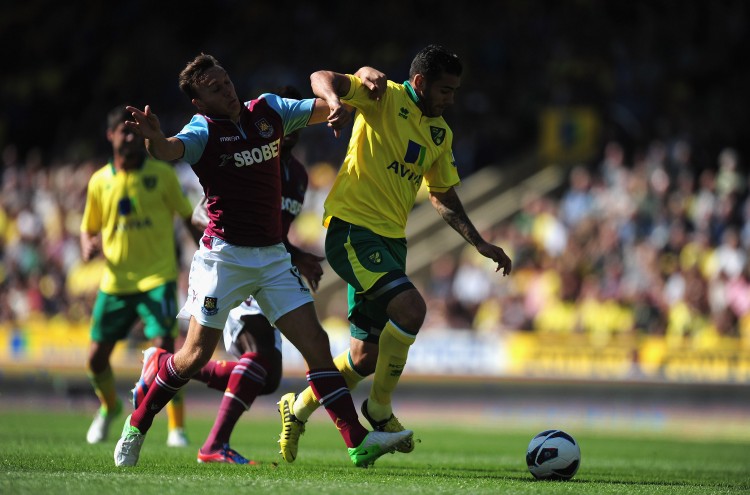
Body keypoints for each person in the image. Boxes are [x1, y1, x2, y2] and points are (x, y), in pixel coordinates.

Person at [114, 53, 412, 468]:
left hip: (272, 258)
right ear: (199, 102)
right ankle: (136, 424)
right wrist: (153, 138)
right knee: (193, 356)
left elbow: (330, 102)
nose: (227, 90)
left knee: (316, 347)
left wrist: (355, 80)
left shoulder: (268, 110)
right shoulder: (202, 131)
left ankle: (358, 442)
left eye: (226, 80)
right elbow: (167, 150)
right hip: (224, 258)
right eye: (214, 88)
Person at [277, 44, 513, 463]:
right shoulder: (382, 94)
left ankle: (297, 409)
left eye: (455, 91)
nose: (450, 99)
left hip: (391, 241)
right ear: (419, 82)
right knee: (411, 309)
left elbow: (441, 194)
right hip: (351, 230)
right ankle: (379, 409)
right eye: (444, 90)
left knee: (363, 358)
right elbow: (321, 75)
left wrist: (479, 242)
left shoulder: (441, 134)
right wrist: (334, 100)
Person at [131, 85, 325, 464]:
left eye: (297, 128)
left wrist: (296, 254)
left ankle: (162, 365)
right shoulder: (240, 152)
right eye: (288, 125)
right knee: (261, 361)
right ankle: (213, 444)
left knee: (267, 378)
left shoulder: (297, 175)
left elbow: (275, 230)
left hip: (270, 263)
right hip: (232, 264)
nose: (292, 133)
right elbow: (205, 212)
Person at [81, 104, 200, 447]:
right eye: (125, 130)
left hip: (156, 279)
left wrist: (202, 258)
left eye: (136, 130)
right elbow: (88, 229)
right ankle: (109, 407)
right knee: (95, 358)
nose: (131, 136)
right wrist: (88, 244)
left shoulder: (162, 175)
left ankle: (177, 427)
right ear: (111, 135)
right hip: (116, 282)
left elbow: (187, 217)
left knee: (166, 352)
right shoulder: (99, 182)